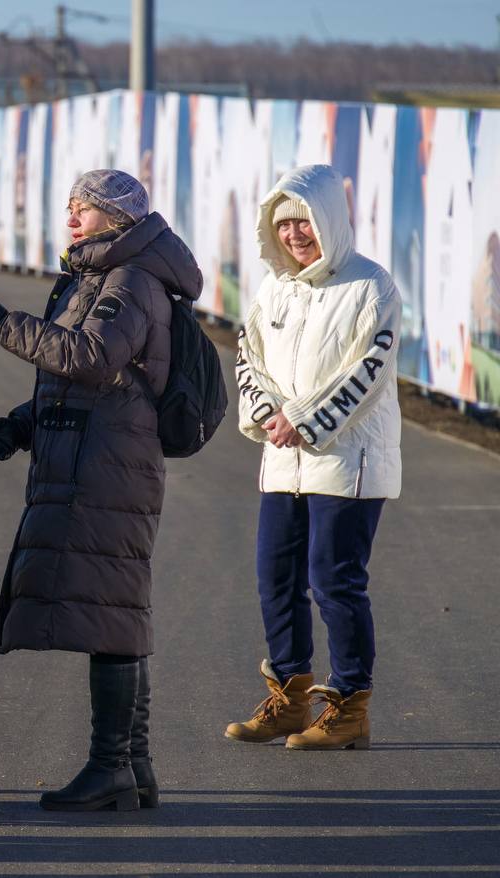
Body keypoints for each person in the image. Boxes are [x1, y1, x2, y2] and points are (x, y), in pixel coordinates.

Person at [0, 169, 202, 812]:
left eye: (82, 207)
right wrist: (21, 425)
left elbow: (92, 357)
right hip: (99, 455)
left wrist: (2, 323)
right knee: (116, 609)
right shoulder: (101, 276)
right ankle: (133, 765)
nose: (70, 216)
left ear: (115, 218)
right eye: (69, 205)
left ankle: (111, 765)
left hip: (112, 464)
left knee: (111, 612)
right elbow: (84, 383)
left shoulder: (133, 280)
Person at [226, 164, 401, 751]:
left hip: (347, 463)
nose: (295, 234)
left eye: (304, 220)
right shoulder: (273, 288)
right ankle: (289, 699)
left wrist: (302, 422)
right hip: (284, 463)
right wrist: (271, 415)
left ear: (329, 219)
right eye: (284, 224)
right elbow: (247, 356)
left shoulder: (370, 285)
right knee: (275, 579)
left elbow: (367, 372)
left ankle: (350, 706)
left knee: (334, 583)